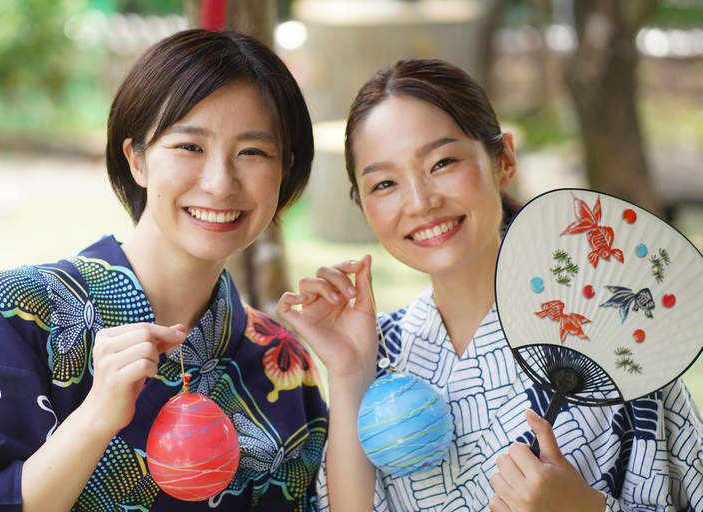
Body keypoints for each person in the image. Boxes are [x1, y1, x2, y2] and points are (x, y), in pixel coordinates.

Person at [276, 58, 703, 512]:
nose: (421, 202)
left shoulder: (617, 335)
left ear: (504, 160)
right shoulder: (380, 349)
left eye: (442, 162)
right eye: (384, 183)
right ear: (363, 204)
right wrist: (349, 373)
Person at [0, 29, 327, 511]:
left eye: (252, 152)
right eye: (189, 147)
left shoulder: (284, 363)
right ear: (137, 160)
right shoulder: (15, 314)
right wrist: (96, 418)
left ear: (285, 169)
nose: (221, 183)